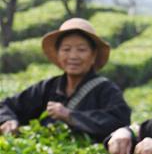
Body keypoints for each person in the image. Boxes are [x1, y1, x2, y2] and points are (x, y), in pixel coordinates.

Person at [0, 18, 131, 142]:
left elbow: (120, 123)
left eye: (81, 50)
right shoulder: (48, 87)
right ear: (58, 54)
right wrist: (8, 121)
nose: (73, 56)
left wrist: (70, 116)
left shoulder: (106, 90)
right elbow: (6, 105)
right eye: (66, 49)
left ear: (93, 55)